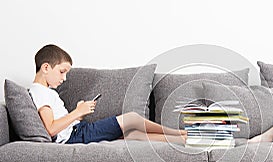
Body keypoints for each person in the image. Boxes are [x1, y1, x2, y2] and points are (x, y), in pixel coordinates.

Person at [29, 44, 187, 144]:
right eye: (62, 72)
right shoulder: (40, 92)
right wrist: (77, 112)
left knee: (132, 136)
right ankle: (179, 131)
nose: (64, 78)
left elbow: (57, 122)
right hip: (75, 136)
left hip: (77, 130)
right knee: (131, 118)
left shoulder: (46, 91)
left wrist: (78, 115)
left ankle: (180, 139)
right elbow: (50, 129)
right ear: (46, 68)